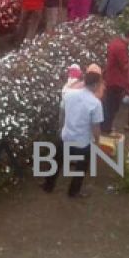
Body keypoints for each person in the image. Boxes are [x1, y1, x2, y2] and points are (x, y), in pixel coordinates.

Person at [43, 69, 103, 198]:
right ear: (95, 85)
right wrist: (97, 142)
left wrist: (62, 127)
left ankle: (48, 186)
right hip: (82, 142)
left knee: (56, 162)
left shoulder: (69, 95)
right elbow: (95, 127)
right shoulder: (95, 104)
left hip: (66, 137)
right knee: (80, 169)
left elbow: (63, 113)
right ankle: (73, 192)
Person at [101, 28, 129, 133]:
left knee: (109, 105)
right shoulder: (121, 47)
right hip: (116, 81)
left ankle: (105, 127)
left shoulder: (115, 42)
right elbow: (125, 66)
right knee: (112, 106)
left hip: (111, 78)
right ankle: (106, 128)